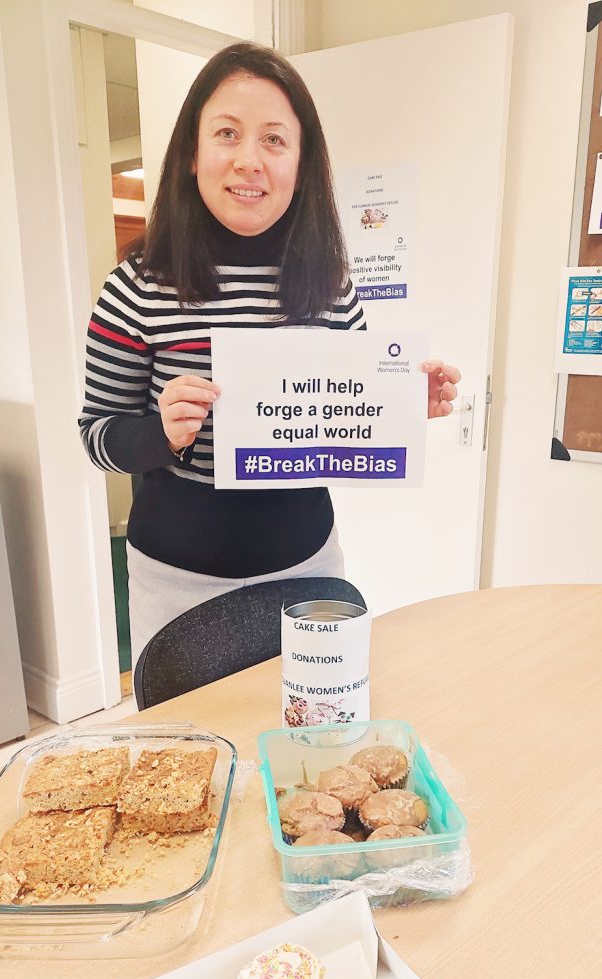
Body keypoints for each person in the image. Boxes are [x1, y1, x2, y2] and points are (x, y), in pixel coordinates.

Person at [79, 42, 460, 667]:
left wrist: (397, 405)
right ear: (192, 154)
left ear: (302, 166)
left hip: (308, 564)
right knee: (194, 732)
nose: (249, 160)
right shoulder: (137, 287)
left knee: (318, 726)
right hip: (177, 583)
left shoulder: (332, 288)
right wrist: (160, 434)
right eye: (227, 133)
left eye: (275, 140)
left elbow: (343, 418)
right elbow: (96, 436)